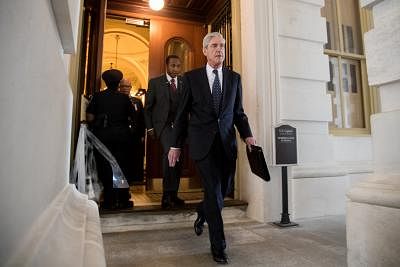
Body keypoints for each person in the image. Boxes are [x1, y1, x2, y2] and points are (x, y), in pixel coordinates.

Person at [168, 32, 256, 264]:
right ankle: (219, 245)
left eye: (223, 46)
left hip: (226, 145)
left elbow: (238, 112)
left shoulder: (234, 78)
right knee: (215, 191)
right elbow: (181, 115)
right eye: (215, 46)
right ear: (205, 50)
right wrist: (175, 145)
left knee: (223, 189)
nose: (220, 50)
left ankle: (201, 211)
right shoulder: (191, 78)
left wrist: (247, 135)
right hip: (202, 145)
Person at [86, 69, 135, 209]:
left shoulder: (98, 96)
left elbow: (89, 116)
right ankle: (123, 199)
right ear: (119, 83)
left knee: (105, 167)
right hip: (122, 137)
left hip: (103, 137)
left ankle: (109, 200)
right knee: (120, 167)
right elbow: (133, 117)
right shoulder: (124, 98)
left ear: (105, 82)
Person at [144, 55, 185, 209]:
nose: (176, 68)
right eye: (173, 65)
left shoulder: (184, 82)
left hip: (180, 127)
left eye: (178, 66)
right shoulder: (155, 83)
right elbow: (147, 108)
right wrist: (150, 127)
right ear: (167, 65)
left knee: (178, 159)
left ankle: (174, 194)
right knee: (170, 154)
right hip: (163, 126)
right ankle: (166, 196)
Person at [119, 78, 146, 184]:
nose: (125, 88)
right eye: (123, 86)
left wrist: (142, 134)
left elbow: (141, 119)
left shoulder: (137, 101)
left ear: (131, 88)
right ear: (120, 87)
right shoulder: (116, 100)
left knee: (134, 158)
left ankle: (134, 179)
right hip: (120, 135)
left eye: (128, 86)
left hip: (135, 136)